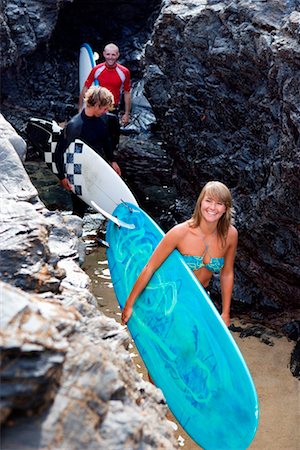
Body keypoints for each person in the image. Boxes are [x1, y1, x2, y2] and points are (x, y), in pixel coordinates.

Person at [121, 181, 238, 328]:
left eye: (219, 203)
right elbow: (150, 267)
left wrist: (225, 313)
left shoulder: (230, 235)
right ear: (200, 203)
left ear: (225, 208)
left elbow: (227, 273)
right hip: (173, 298)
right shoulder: (180, 233)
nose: (212, 208)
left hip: (201, 298)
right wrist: (130, 304)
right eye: (208, 201)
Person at [55, 85, 121, 217]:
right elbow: (58, 152)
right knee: (79, 210)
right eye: (104, 108)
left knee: (107, 201)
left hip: (98, 165)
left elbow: (106, 140)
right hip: (79, 171)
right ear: (96, 105)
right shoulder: (75, 125)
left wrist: (112, 160)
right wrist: (62, 177)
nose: (106, 111)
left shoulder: (103, 118)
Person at [78, 42, 131, 128]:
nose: (110, 57)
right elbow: (85, 88)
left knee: (111, 135)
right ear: (104, 54)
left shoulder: (124, 72)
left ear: (118, 55)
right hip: (98, 107)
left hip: (113, 108)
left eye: (113, 55)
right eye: (108, 54)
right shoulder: (97, 70)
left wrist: (127, 113)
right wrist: (80, 108)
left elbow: (127, 93)